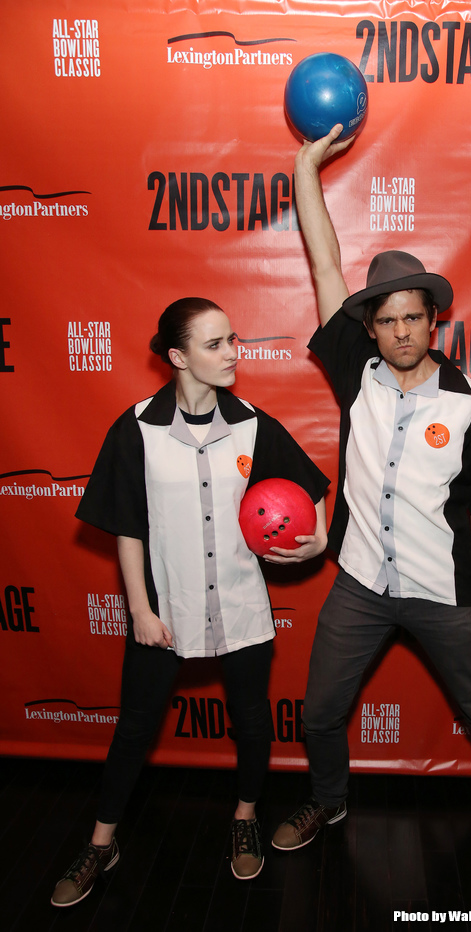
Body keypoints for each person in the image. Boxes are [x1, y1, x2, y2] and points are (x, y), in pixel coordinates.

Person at [271, 126, 471, 892]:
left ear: (433, 321)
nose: (398, 331)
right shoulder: (356, 369)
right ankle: (328, 803)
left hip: (442, 590)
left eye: (412, 318)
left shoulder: (467, 400)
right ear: (371, 327)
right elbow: (325, 262)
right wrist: (303, 167)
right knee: (320, 713)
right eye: (385, 319)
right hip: (358, 584)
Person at [51, 297, 329, 907]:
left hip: (241, 604)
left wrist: (319, 540)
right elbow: (127, 527)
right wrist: (140, 611)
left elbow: (312, 487)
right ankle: (102, 842)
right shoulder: (136, 428)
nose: (233, 352)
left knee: (253, 719)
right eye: (215, 344)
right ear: (177, 356)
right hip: (166, 609)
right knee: (134, 729)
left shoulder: (254, 423)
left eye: (234, 339)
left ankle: (245, 817)